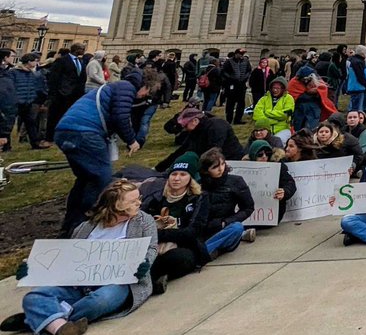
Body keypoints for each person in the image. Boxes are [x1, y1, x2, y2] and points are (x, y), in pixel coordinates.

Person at [2, 179, 158, 335]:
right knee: (33, 297)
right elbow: (67, 257)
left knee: (100, 301)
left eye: (139, 198)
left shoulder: (143, 221)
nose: (139, 203)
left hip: (118, 282)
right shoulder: (85, 227)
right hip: (79, 283)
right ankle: (59, 326)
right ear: (116, 204)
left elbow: (151, 248)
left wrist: (144, 263)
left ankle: (44, 320)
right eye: (133, 201)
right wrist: (32, 269)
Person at [53, 68, 160, 236]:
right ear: (145, 85)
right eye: (147, 92)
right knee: (101, 180)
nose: (144, 96)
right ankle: (85, 224)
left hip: (66, 130)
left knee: (85, 179)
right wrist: (131, 140)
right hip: (86, 132)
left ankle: (71, 223)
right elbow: (121, 116)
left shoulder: (116, 86)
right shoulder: (126, 87)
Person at [141, 153, 211, 291]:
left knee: (180, 258)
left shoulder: (199, 198)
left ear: (191, 178)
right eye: (174, 174)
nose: (177, 178)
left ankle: (150, 281)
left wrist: (161, 234)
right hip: (153, 247)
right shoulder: (157, 198)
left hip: (183, 246)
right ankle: (151, 281)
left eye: (183, 174)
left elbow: (192, 231)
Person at [198, 149, 256, 258]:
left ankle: (203, 252)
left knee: (237, 228)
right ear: (206, 170)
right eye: (215, 167)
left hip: (224, 225)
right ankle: (209, 249)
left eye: (223, 164)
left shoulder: (236, 181)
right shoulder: (198, 185)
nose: (220, 169)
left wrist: (226, 222)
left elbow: (248, 207)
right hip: (203, 228)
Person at [157, 105, 244, 170]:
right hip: (212, 161)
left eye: (185, 125)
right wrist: (161, 167)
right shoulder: (195, 130)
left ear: (195, 121)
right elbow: (183, 150)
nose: (184, 129)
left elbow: (214, 151)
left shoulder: (216, 126)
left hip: (231, 162)